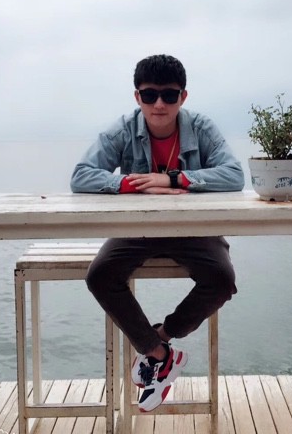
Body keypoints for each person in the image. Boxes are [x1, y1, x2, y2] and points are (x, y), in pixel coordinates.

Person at [70, 54, 244, 412]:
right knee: (100, 275)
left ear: (183, 96)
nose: (159, 104)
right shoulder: (122, 129)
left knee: (222, 279)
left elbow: (234, 175)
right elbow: (81, 175)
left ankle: (161, 338)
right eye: (150, 95)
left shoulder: (202, 128)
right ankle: (159, 354)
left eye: (169, 95)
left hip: (193, 229)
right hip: (139, 227)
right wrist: (133, 184)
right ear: (138, 97)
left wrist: (174, 179)